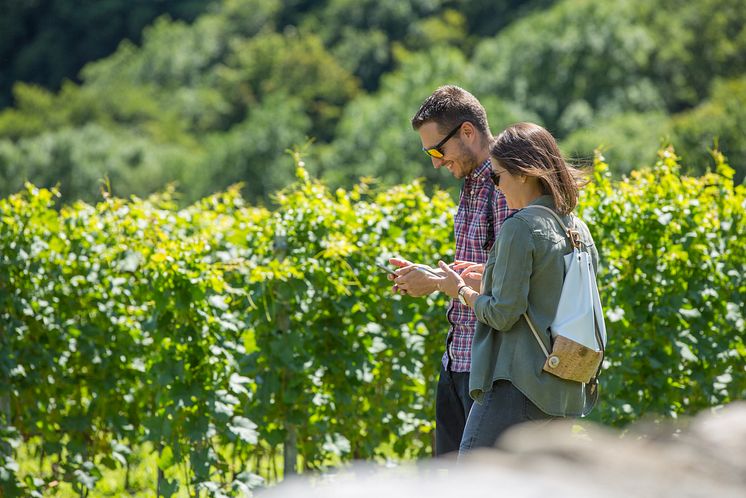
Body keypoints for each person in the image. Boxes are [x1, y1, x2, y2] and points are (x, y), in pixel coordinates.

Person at [435, 122, 599, 454]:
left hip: (516, 385)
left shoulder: (520, 227)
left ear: (523, 173)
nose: (497, 187)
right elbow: (547, 292)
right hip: (564, 385)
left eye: (498, 177)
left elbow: (502, 314)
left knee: (472, 481)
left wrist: (461, 292)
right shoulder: (577, 229)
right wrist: (492, 277)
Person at [388, 85, 511, 456]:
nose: (436, 163)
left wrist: (438, 282)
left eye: (437, 150)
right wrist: (430, 274)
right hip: (458, 358)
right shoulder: (470, 184)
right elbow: (476, 267)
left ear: (468, 132)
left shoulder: (505, 186)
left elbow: (514, 274)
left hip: (489, 371)